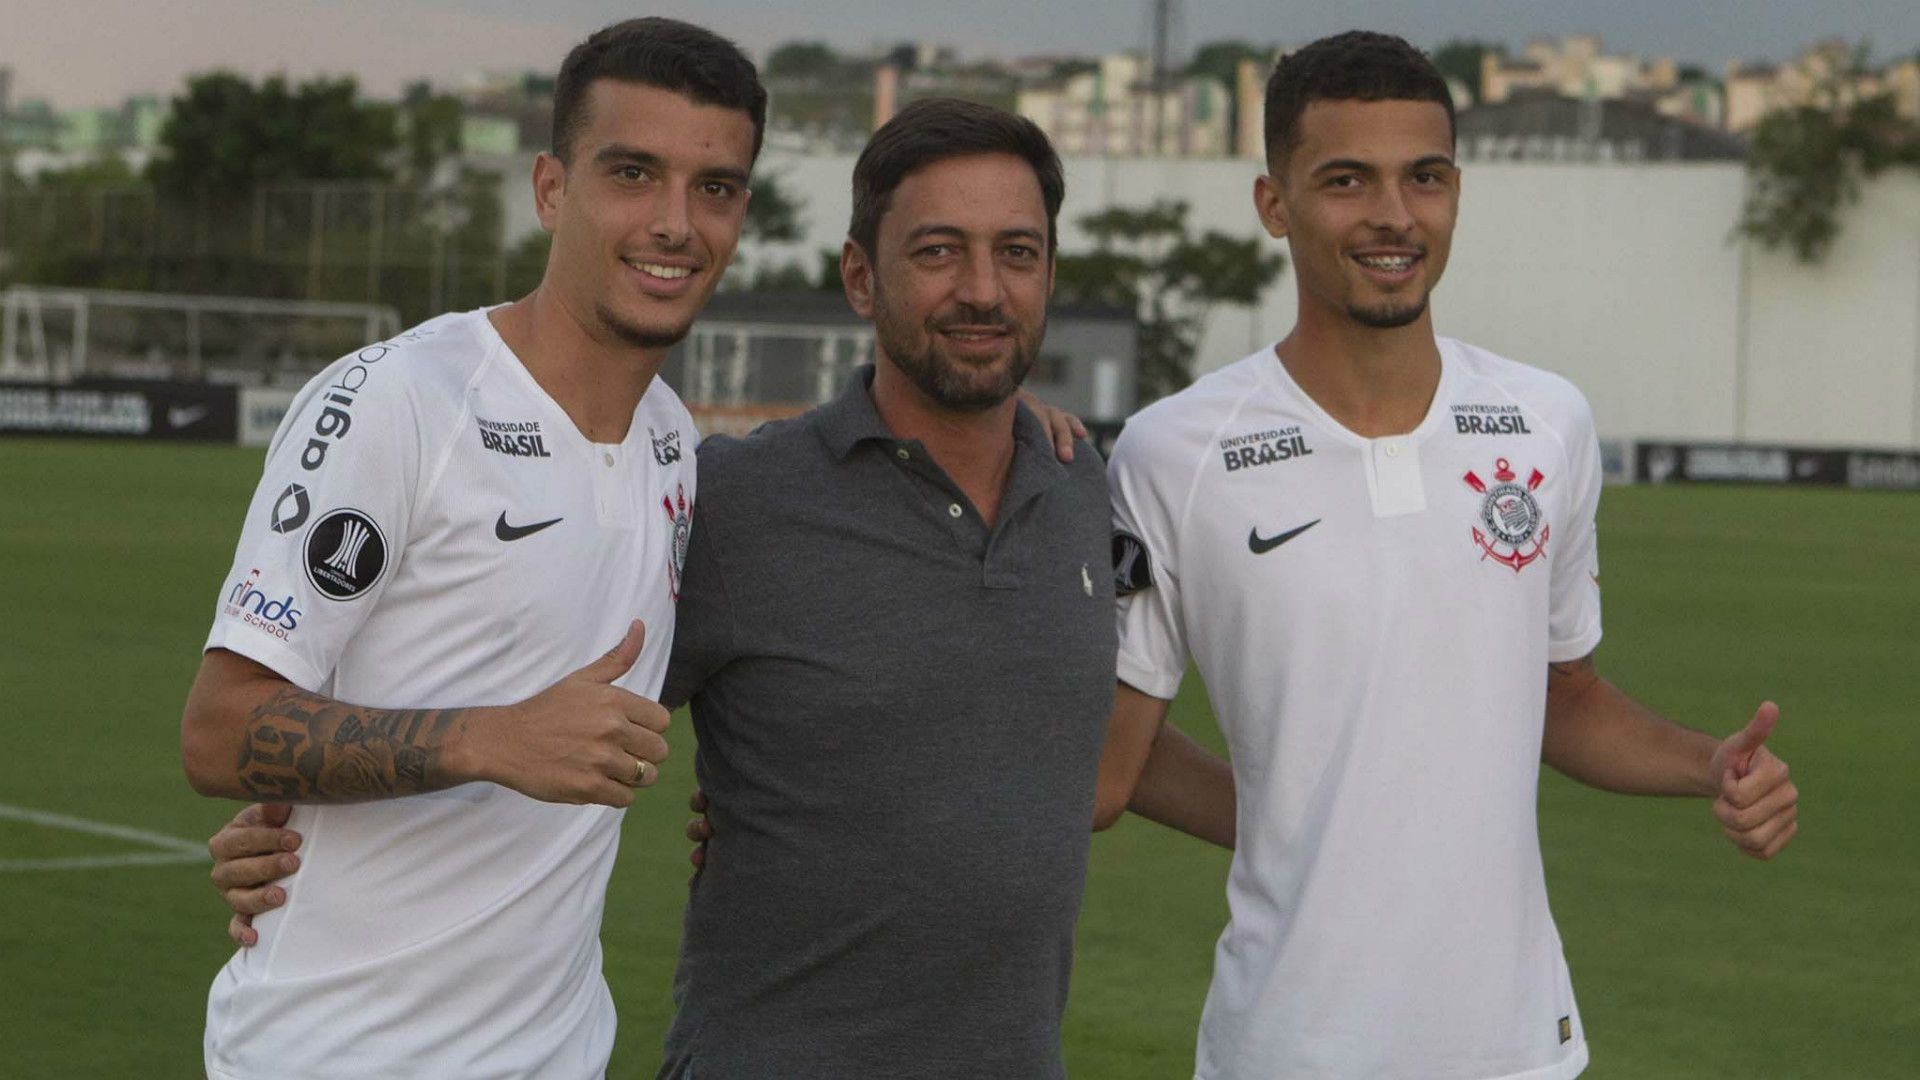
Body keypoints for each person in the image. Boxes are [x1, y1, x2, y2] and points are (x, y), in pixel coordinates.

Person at [203, 97, 1109, 1077]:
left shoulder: (1082, 481)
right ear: (860, 275)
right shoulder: (735, 499)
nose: (983, 288)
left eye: (1017, 253)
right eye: (939, 251)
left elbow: (1089, 735)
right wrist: (295, 810)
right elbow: (525, 686)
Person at [1092, 31, 1800, 1080]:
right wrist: (1302, 819)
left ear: (1456, 193)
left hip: (1520, 1048)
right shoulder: (1172, 452)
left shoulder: (1545, 423)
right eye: (1346, 181)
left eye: (1424, 177)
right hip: (1288, 1049)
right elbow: (1114, 760)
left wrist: (1710, 766)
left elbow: (1565, 695)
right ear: (1273, 204)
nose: (1393, 215)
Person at [179, 19, 765, 1079]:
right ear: (551, 189)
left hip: (556, 1056)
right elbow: (220, 733)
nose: (676, 223)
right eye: (633, 174)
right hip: (330, 1056)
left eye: (714, 187)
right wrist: (487, 742)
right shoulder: (402, 400)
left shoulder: (677, 444)